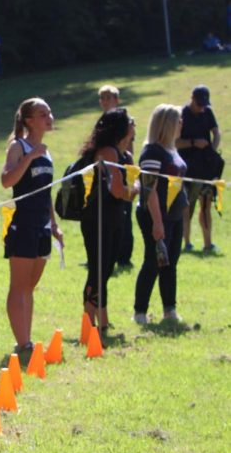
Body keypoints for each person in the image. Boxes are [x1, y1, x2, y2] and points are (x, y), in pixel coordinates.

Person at [1, 98, 63, 354]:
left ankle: (26, 339)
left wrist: (54, 224)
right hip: (23, 225)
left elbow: (46, 192)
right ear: (28, 120)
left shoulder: (46, 151)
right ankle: (22, 342)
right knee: (19, 285)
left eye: (49, 112)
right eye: (42, 113)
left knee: (31, 285)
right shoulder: (19, 146)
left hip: (42, 226)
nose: (49, 117)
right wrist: (29, 158)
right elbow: (6, 181)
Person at [77, 109, 136, 330]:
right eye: (130, 121)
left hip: (114, 218)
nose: (134, 124)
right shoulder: (107, 153)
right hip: (97, 219)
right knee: (98, 268)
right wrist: (136, 188)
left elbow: (123, 190)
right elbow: (119, 191)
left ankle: (102, 320)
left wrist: (130, 189)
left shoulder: (123, 154)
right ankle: (88, 321)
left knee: (107, 268)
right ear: (120, 127)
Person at [134, 104, 187, 325]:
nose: (182, 124)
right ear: (167, 124)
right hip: (156, 215)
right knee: (153, 261)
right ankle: (140, 312)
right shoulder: (152, 152)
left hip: (174, 216)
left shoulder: (172, 149)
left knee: (171, 262)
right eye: (178, 120)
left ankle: (169, 309)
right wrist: (157, 223)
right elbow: (149, 190)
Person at [178, 85, 223, 253]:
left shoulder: (207, 112)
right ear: (192, 99)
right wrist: (193, 143)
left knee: (206, 204)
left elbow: (216, 133)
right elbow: (176, 142)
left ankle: (207, 243)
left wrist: (212, 149)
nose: (201, 107)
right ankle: (187, 243)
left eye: (204, 104)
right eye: (199, 104)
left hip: (205, 165)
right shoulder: (182, 115)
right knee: (187, 205)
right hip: (187, 166)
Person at [97, 85, 136, 269]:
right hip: (105, 193)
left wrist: (130, 172)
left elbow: (129, 151)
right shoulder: (103, 123)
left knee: (125, 219)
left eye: (108, 97)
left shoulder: (124, 121)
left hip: (122, 175)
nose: (105, 101)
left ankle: (123, 256)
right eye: (102, 98)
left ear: (116, 99)